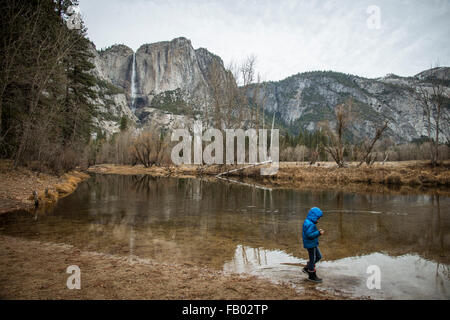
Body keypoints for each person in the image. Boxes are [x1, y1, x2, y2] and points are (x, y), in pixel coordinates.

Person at [302, 207, 324, 283]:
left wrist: (317, 231)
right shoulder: (309, 224)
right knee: (313, 259)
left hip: (312, 244)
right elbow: (309, 235)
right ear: (313, 217)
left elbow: (310, 233)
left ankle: (307, 268)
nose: (318, 220)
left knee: (319, 256)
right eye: (318, 218)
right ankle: (311, 275)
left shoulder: (309, 222)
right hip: (310, 244)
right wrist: (318, 233)